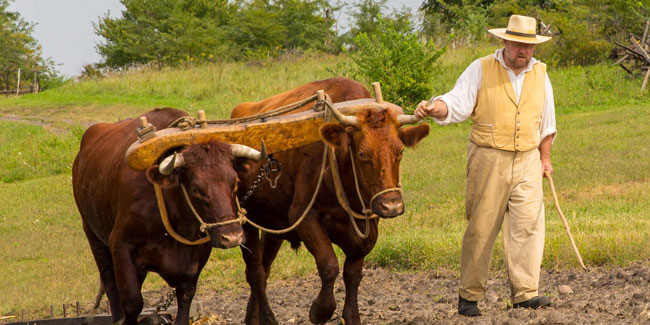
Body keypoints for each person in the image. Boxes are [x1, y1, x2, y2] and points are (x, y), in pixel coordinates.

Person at [415, 14, 557, 317]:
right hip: (488, 157)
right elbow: (456, 103)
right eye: (518, 44)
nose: (524, 51)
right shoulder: (480, 69)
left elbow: (547, 123)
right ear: (505, 41)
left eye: (529, 46)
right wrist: (434, 106)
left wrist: (545, 158)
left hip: (529, 159)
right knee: (481, 227)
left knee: (528, 227)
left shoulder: (541, 74)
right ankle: (469, 297)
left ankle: (525, 293)